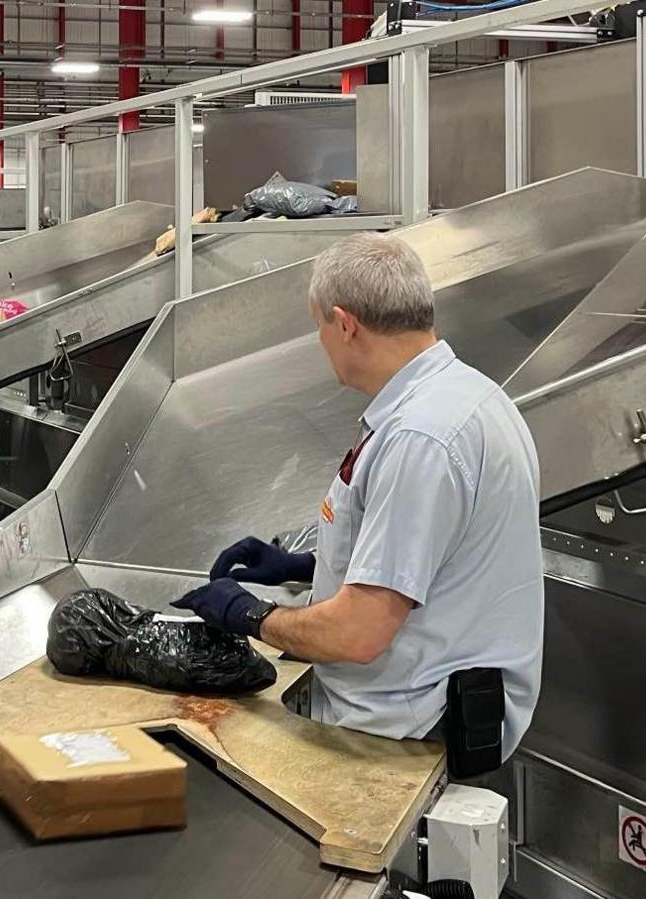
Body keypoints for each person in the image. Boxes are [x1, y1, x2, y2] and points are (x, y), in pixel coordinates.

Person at [172, 232, 543, 762]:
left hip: (406, 736)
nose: (322, 344)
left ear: (345, 324)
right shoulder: (469, 396)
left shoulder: (422, 437)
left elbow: (359, 633)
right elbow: (431, 553)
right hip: (415, 715)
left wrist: (250, 615)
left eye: (319, 328)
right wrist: (304, 564)